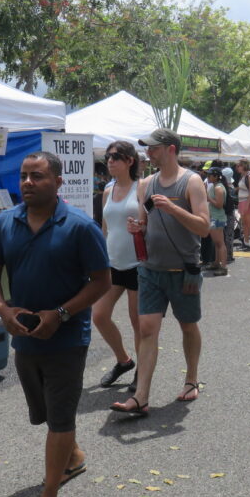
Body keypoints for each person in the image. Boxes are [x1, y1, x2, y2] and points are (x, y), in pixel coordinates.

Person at [0, 151, 110, 497]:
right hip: (24, 337)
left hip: (67, 338)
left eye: (37, 176)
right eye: (23, 176)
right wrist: (5, 312)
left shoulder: (81, 226)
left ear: (57, 182)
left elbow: (100, 281)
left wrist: (62, 315)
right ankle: (73, 456)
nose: (27, 183)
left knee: (61, 415)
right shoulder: (5, 223)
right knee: (46, 413)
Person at [112, 128, 210, 415]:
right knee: (147, 329)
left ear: (170, 149)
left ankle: (191, 379)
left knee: (188, 325)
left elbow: (204, 227)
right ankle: (141, 397)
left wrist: (174, 210)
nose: (148, 153)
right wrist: (137, 228)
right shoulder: (146, 184)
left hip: (184, 270)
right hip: (150, 269)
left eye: (153, 148)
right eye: (147, 148)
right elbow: (145, 222)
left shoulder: (192, 182)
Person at [94, 141, 142, 389]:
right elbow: (106, 227)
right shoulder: (108, 190)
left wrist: (142, 228)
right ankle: (124, 360)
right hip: (112, 264)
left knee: (138, 322)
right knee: (99, 315)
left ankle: (142, 372)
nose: (110, 161)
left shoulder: (141, 188)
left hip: (137, 264)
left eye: (115, 157)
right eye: (108, 157)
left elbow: (152, 222)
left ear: (129, 161)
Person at [204, 167, 229, 275]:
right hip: (214, 217)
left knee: (220, 243)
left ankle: (223, 267)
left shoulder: (218, 188)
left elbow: (219, 205)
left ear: (215, 176)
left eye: (209, 175)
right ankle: (216, 263)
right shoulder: (214, 186)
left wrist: (208, 198)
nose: (207, 177)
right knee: (217, 243)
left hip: (217, 218)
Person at [235, 160, 250, 251]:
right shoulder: (243, 175)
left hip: (247, 201)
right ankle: (246, 242)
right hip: (242, 201)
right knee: (245, 223)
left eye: (239, 165)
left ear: (243, 165)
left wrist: (247, 205)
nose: (237, 167)